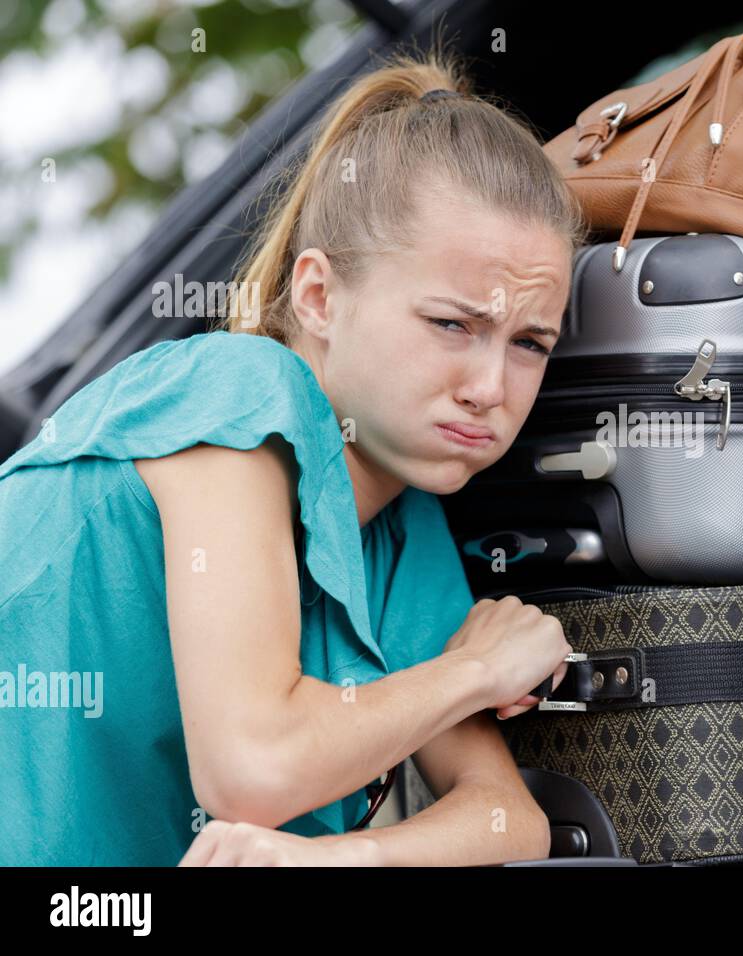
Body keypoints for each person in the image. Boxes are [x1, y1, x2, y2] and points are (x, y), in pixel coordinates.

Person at [0, 49, 588, 866]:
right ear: (318, 297)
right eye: (452, 324)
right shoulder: (235, 395)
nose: (491, 387)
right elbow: (253, 767)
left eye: (530, 342)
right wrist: (477, 672)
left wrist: (327, 861)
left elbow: (507, 820)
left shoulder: (404, 528)